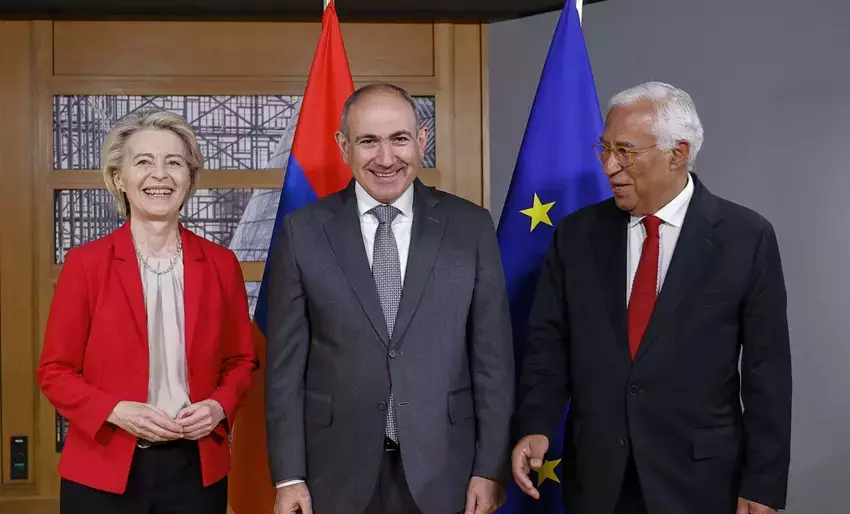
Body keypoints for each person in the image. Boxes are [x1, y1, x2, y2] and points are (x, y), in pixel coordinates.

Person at [511, 82, 792, 514]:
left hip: (700, 482)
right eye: (605, 149)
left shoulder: (745, 237)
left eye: (624, 151)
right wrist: (535, 424)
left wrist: (763, 485)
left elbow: (766, 373)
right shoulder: (576, 236)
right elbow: (549, 345)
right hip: (598, 480)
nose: (609, 166)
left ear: (677, 154)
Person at [265, 83, 515, 514]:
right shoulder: (302, 231)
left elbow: (493, 359)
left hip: (446, 471)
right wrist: (289, 476)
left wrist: (489, 468)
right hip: (334, 474)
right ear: (344, 146)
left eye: (399, 139)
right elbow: (285, 370)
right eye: (368, 141)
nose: (385, 158)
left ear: (422, 139)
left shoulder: (470, 226)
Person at [36, 109, 258, 514]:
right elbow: (54, 372)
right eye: (143, 162)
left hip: (195, 470)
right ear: (119, 178)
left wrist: (218, 406)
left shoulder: (221, 264)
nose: (160, 175)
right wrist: (115, 410)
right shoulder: (86, 264)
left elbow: (241, 362)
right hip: (103, 466)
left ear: (189, 178)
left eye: (174, 162)